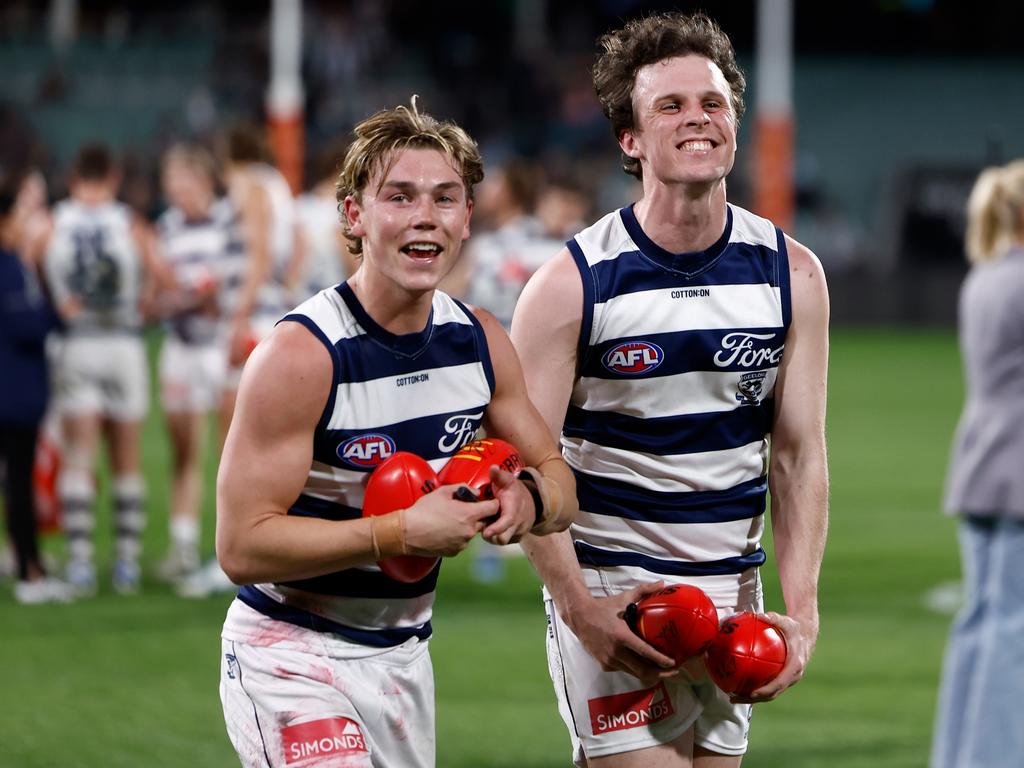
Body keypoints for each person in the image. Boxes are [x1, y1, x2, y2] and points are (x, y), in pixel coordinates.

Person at [215, 100, 577, 768]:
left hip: (404, 658)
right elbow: (240, 546)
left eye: (445, 198)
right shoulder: (303, 354)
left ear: (468, 218)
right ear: (353, 215)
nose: (424, 217)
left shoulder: (479, 342)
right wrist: (400, 533)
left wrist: (526, 500)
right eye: (399, 196)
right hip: (289, 651)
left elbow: (560, 480)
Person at [511, 12, 830, 766]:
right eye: (671, 106)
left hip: (733, 596)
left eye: (712, 103)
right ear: (629, 138)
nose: (698, 119)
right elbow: (527, 466)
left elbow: (798, 457)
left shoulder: (794, 274)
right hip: (619, 595)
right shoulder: (570, 285)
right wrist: (579, 608)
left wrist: (804, 613)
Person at [42, 142, 167, 595]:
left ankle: (79, 563)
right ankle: (127, 564)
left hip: (77, 343)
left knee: (79, 454)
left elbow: (35, 263)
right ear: (112, 177)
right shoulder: (129, 222)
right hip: (123, 343)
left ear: (74, 178)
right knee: (126, 458)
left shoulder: (55, 221)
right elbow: (160, 271)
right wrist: (145, 300)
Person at [931, 160, 1024, 768]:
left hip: (985, 459)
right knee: (1014, 630)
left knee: (983, 620)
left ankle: (960, 754)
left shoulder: (989, 274)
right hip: (1018, 464)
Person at [153, 144, 237, 584]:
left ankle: (230, 546)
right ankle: (182, 546)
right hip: (181, 346)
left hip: (218, 348)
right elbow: (157, 291)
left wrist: (191, 296)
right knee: (183, 447)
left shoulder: (227, 221)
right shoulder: (166, 227)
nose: (176, 191)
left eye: (182, 182)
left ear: (202, 180)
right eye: (171, 184)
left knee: (228, 452)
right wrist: (183, 298)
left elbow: (226, 285)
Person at [0, 170, 75, 604]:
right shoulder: (8, 266)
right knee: (19, 483)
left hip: (18, 392)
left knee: (16, 482)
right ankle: (30, 571)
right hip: (14, 396)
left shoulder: (16, 263)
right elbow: (24, 323)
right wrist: (56, 315)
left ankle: (28, 563)